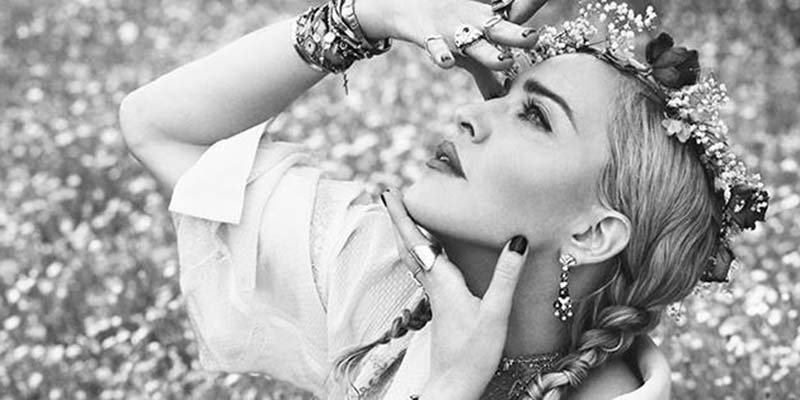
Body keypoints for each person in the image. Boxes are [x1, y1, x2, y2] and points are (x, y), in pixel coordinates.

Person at [118, 0, 768, 398]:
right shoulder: (387, 286)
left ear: (594, 233)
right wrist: (370, 15)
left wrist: (452, 385)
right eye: (503, 97)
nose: (468, 115)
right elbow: (160, 129)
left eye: (535, 117)